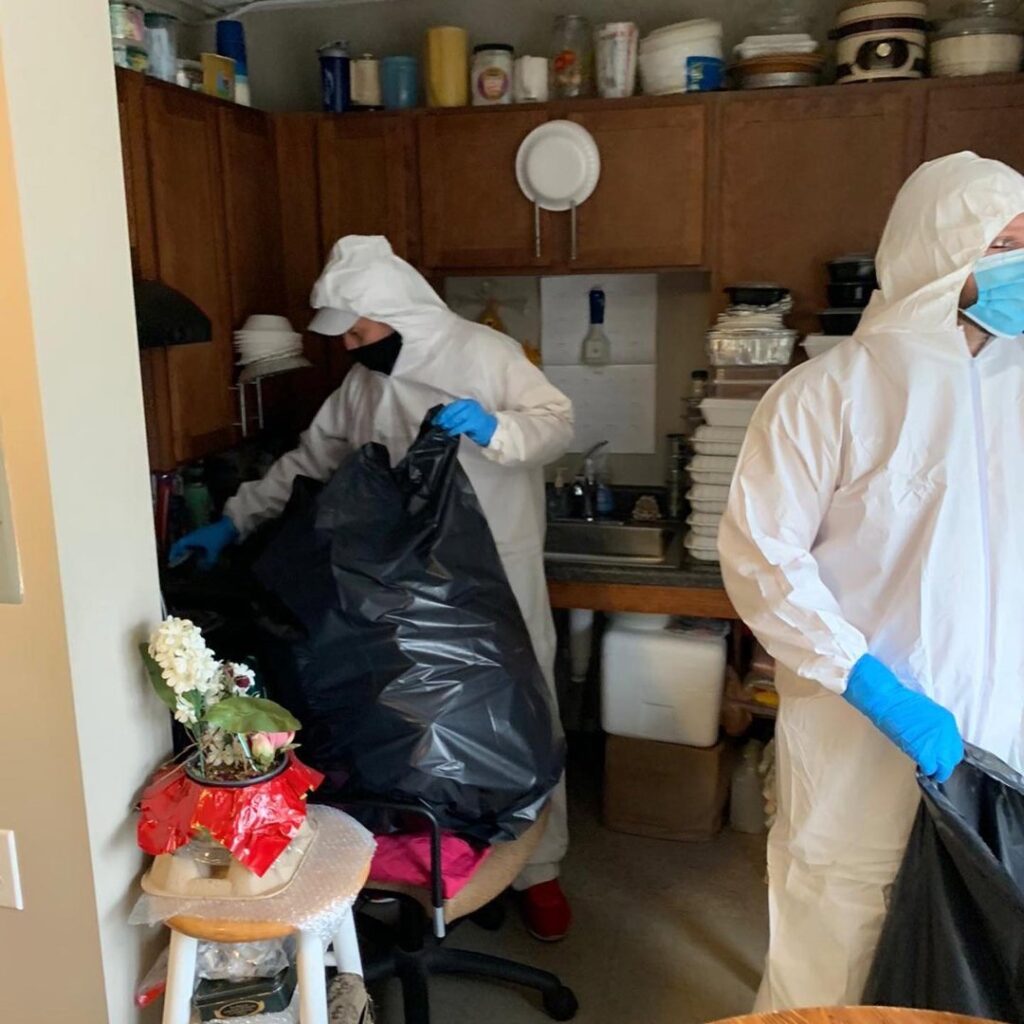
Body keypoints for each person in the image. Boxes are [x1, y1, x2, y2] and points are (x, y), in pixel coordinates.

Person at [171, 235, 575, 940]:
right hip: (409, 597)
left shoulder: (484, 355)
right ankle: (442, 862)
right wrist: (232, 524)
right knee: (416, 730)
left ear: (402, 313)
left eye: (361, 329)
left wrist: (496, 427)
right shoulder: (361, 387)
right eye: (347, 335)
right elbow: (309, 459)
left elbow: (558, 423)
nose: (353, 345)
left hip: (495, 577)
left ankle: (541, 870)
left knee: (525, 717)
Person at [718, 151, 1024, 1011]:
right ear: (941, 251)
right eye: (1002, 243)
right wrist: (874, 687)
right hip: (861, 737)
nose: (1020, 264)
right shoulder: (827, 395)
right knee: (835, 931)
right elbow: (760, 559)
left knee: (971, 948)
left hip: (1000, 742)